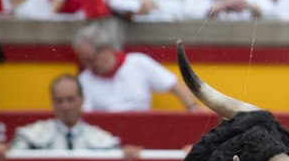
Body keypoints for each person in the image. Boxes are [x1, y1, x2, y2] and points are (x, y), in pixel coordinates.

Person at [0, 74, 141, 159]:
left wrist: (126, 155)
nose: (65, 106)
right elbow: (12, 158)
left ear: (82, 100)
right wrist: (3, 153)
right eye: (59, 100)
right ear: (52, 102)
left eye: (70, 99)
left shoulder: (101, 139)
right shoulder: (31, 136)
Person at [72, 21, 200, 111]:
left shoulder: (138, 63)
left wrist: (192, 108)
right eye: (84, 62)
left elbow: (175, 85)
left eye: (90, 60)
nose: (88, 66)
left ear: (105, 49)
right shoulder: (84, 80)